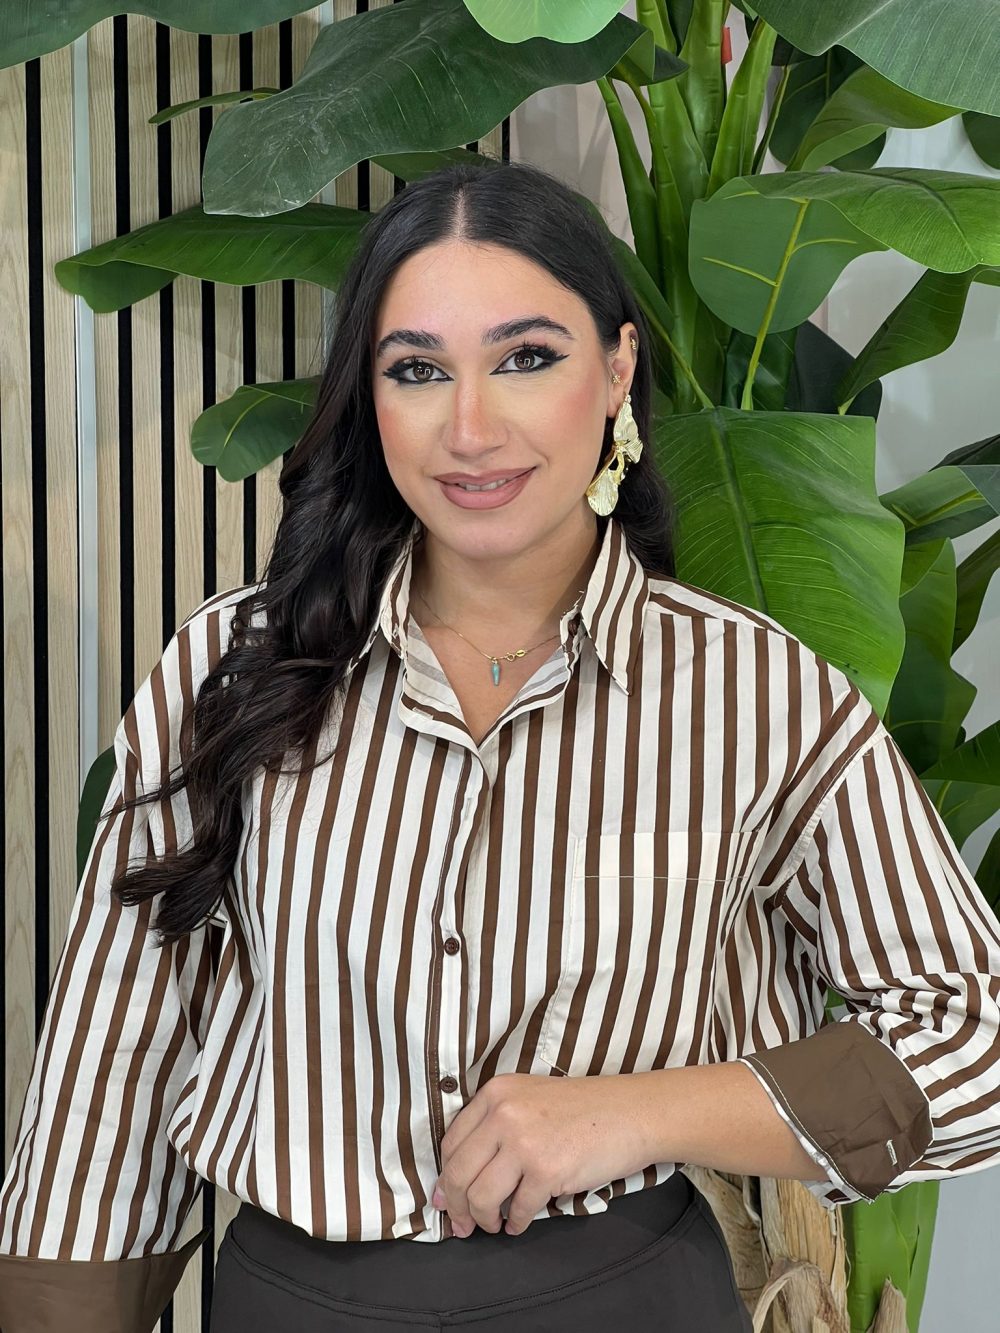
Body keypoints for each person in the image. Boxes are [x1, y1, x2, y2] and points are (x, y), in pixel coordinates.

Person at [2, 157, 1000, 1333]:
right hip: (294, 1305)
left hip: (629, 1303)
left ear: (617, 367)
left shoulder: (755, 693)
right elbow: (115, 1059)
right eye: (417, 369)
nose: (470, 429)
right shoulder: (230, 669)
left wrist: (634, 1112)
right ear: (369, 397)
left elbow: (975, 1031)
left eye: (526, 357)